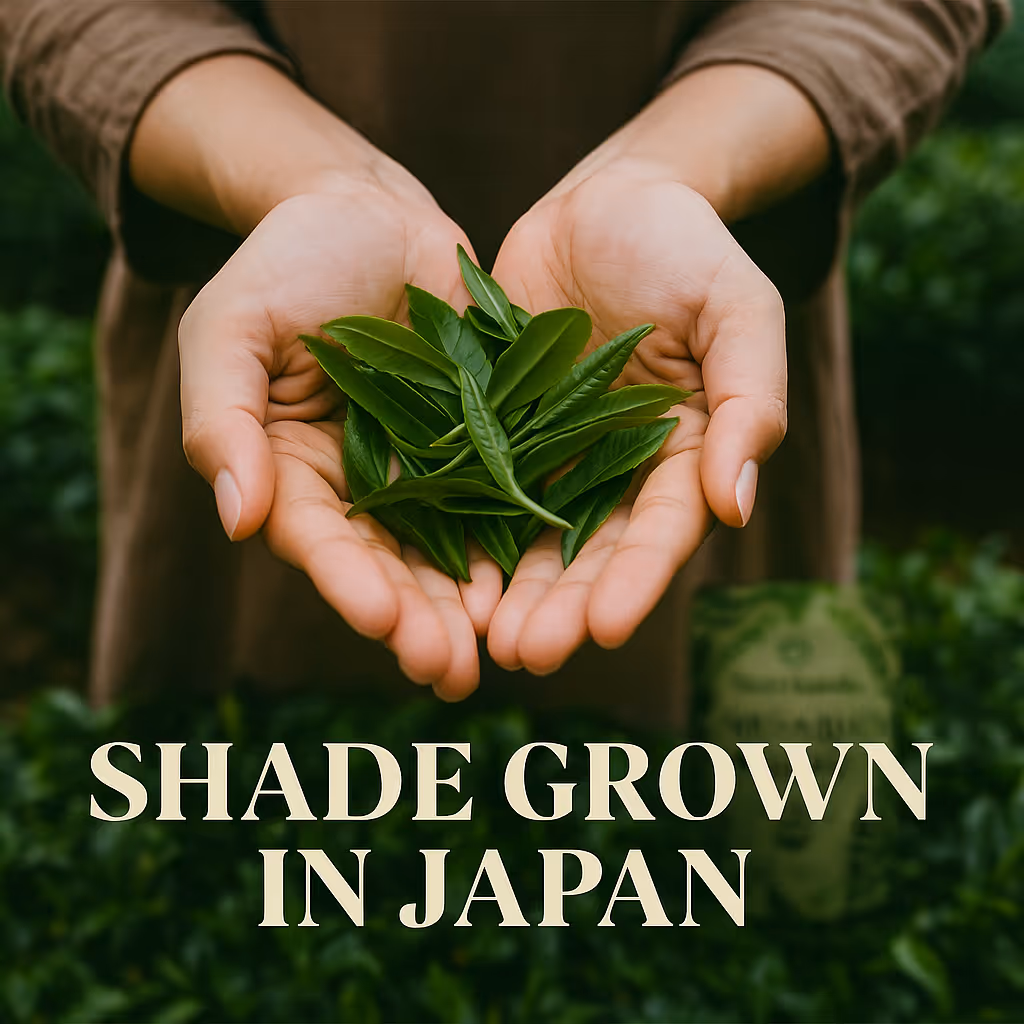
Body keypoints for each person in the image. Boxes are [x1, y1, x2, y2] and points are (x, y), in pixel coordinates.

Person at [0, 0, 1007, 727]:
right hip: (301, 365)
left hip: (672, 354)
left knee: (696, 883)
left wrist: (670, 172)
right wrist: (304, 179)